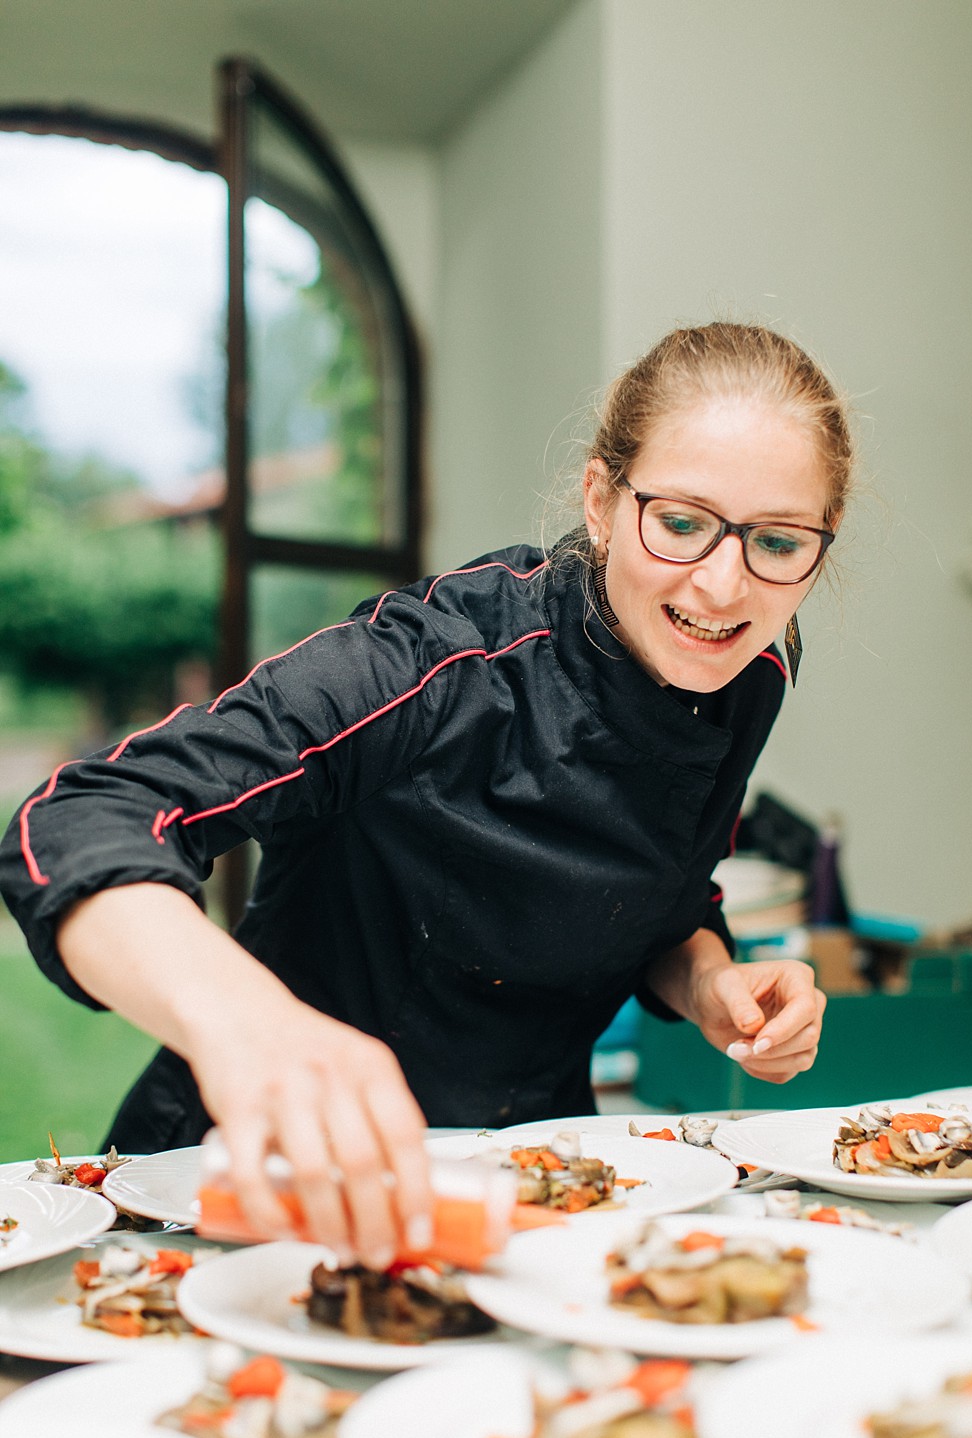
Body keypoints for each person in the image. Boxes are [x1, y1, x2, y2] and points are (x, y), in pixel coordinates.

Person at [0, 321, 839, 1270]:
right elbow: (76, 818)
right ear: (602, 501)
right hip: (244, 1192)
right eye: (681, 522)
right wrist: (251, 1026)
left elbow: (663, 896)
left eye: (777, 541)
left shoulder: (749, 670)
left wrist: (709, 981)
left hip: (525, 1197)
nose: (724, 584)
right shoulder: (439, 661)